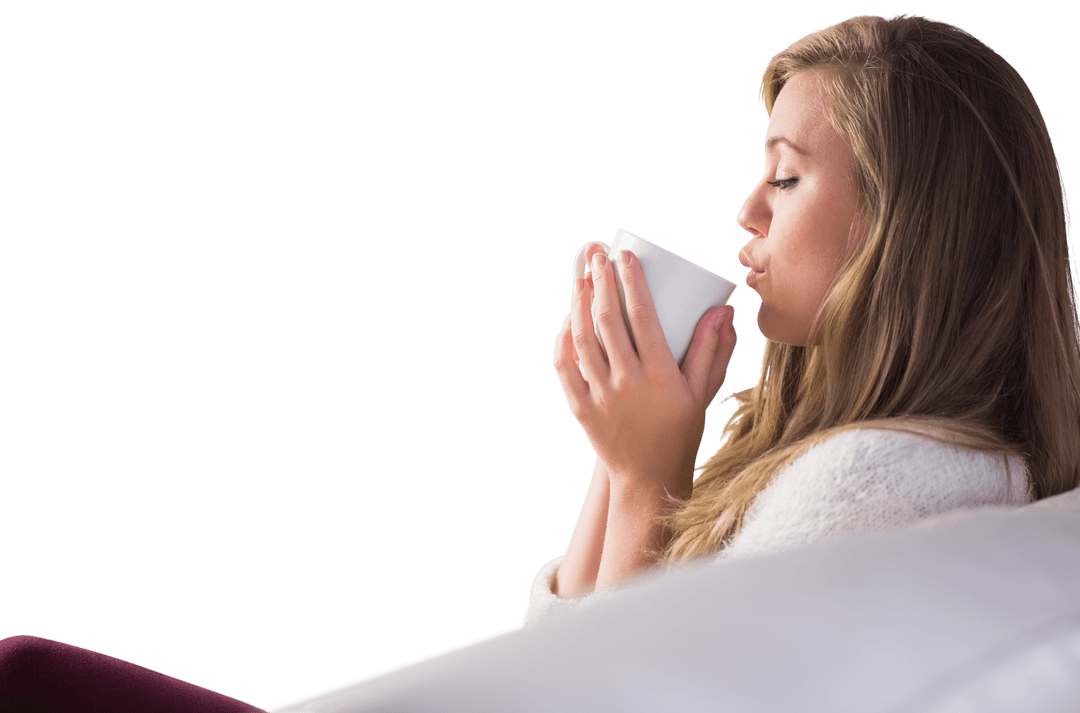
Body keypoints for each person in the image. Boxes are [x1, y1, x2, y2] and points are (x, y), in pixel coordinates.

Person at [523, 12, 1079, 624]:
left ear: (902, 224)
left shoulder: (871, 490)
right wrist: (622, 440)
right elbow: (539, 661)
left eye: (785, 177)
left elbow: (604, 688)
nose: (748, 209)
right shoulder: (859, 455)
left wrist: (645, 477)